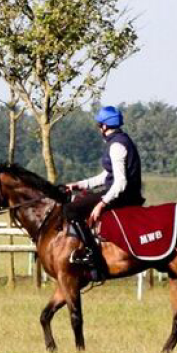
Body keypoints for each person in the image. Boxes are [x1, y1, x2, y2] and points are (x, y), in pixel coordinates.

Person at [65, 106, 145, 281]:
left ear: (104, 126)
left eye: (99, 125)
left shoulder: (116, 145)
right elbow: (106, 176)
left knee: (71, 209)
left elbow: (120, 182)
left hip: (123, 195)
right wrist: (79, 185)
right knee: (79, 199)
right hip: (118, 191)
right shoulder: (119, 141)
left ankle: (90, 254)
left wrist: (102, 203)